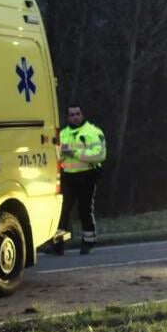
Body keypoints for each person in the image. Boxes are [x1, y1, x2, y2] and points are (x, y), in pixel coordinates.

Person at [57, 105, 108, 255]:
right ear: (67, 117)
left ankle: (88, 242)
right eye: (72, 115)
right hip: (68, 176)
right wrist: (63, 156)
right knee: (63, 210)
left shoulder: (93, 132)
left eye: (78, 114)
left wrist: (74, 153)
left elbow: (99, 155)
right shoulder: (62, 134)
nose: (75, 117)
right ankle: (58, 244)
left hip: (87, 175)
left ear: (82, 115)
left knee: (85, 210)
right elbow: (56, 156)